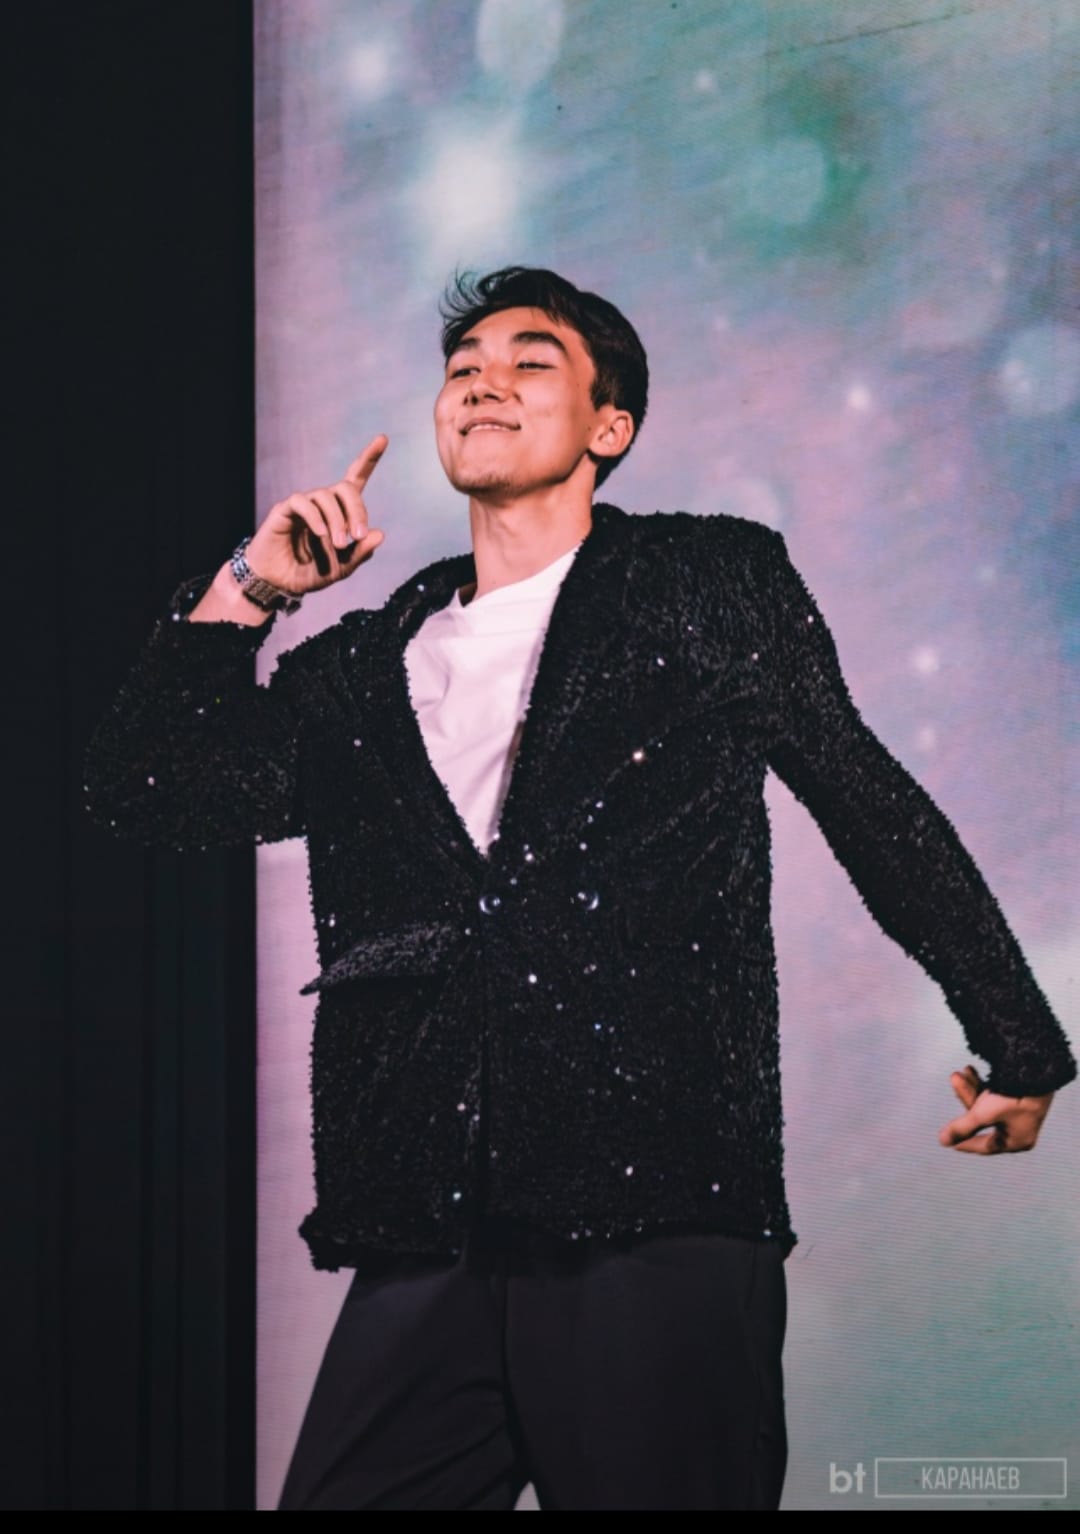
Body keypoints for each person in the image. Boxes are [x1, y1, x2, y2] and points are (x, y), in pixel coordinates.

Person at [83, 265, 1076, 1511]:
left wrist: (1018, 1040)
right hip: (428, 1222)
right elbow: (148, 789)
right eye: (462, 368)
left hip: (656, 1204)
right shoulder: (360, 669)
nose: (482, 381)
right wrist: (255, 587)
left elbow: (865, 799)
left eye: (528, 360)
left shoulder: (705, 582)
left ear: (611, 426)